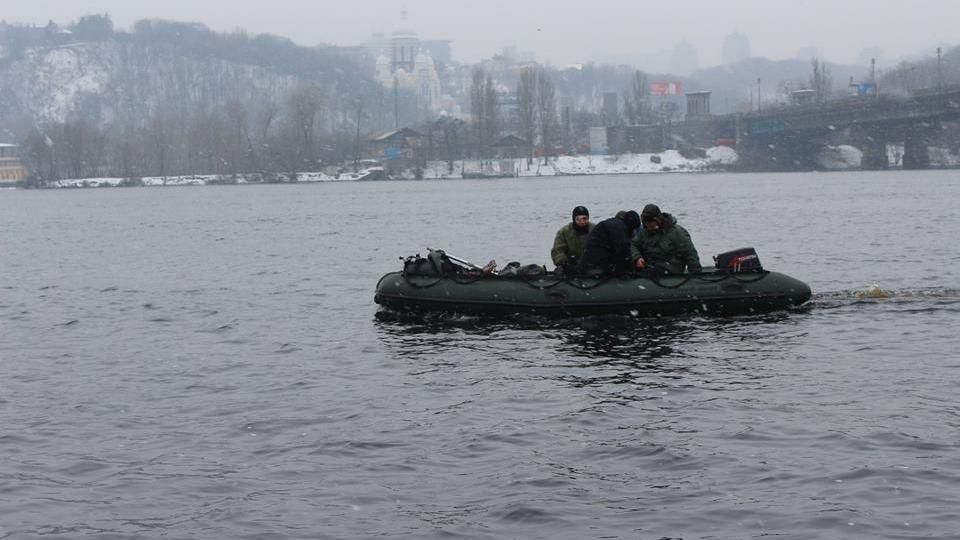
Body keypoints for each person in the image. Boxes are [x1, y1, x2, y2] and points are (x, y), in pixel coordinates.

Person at [631, 204, 702, 274]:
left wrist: (696, 274)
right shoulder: (644, 232)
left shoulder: (676, 232)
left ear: (658, 220)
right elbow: (633, 245)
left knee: (655, 271)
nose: (649, 228)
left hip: (671, 267)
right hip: (650, 264)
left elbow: (690, 253)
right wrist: (637, 258)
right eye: (647, 225)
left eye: (652, 225)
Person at [576, 210, 642, 276]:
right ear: (631, 226)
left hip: (587, 263)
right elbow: (623, 253)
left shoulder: (611, 223)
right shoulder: (620, 228)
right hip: (596, 268)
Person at [551, 206, 594, 273]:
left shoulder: (595, 229)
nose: (582, 222)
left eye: (585, 218)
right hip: (570, 264)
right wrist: (564, 263)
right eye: (578, 219)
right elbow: (557, 251)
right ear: (574, 219)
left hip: (590, 264)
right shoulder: (564, 232)